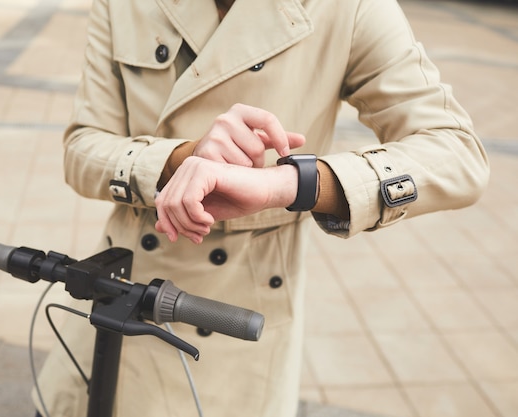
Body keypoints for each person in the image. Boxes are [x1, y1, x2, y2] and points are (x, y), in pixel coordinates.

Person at [34, 0, 489, 416]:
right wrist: (179, 160)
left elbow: (456, 152)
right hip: (123, 293)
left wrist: (290, 183)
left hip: (241, 312)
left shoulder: (348, 8)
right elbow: (81, 149)